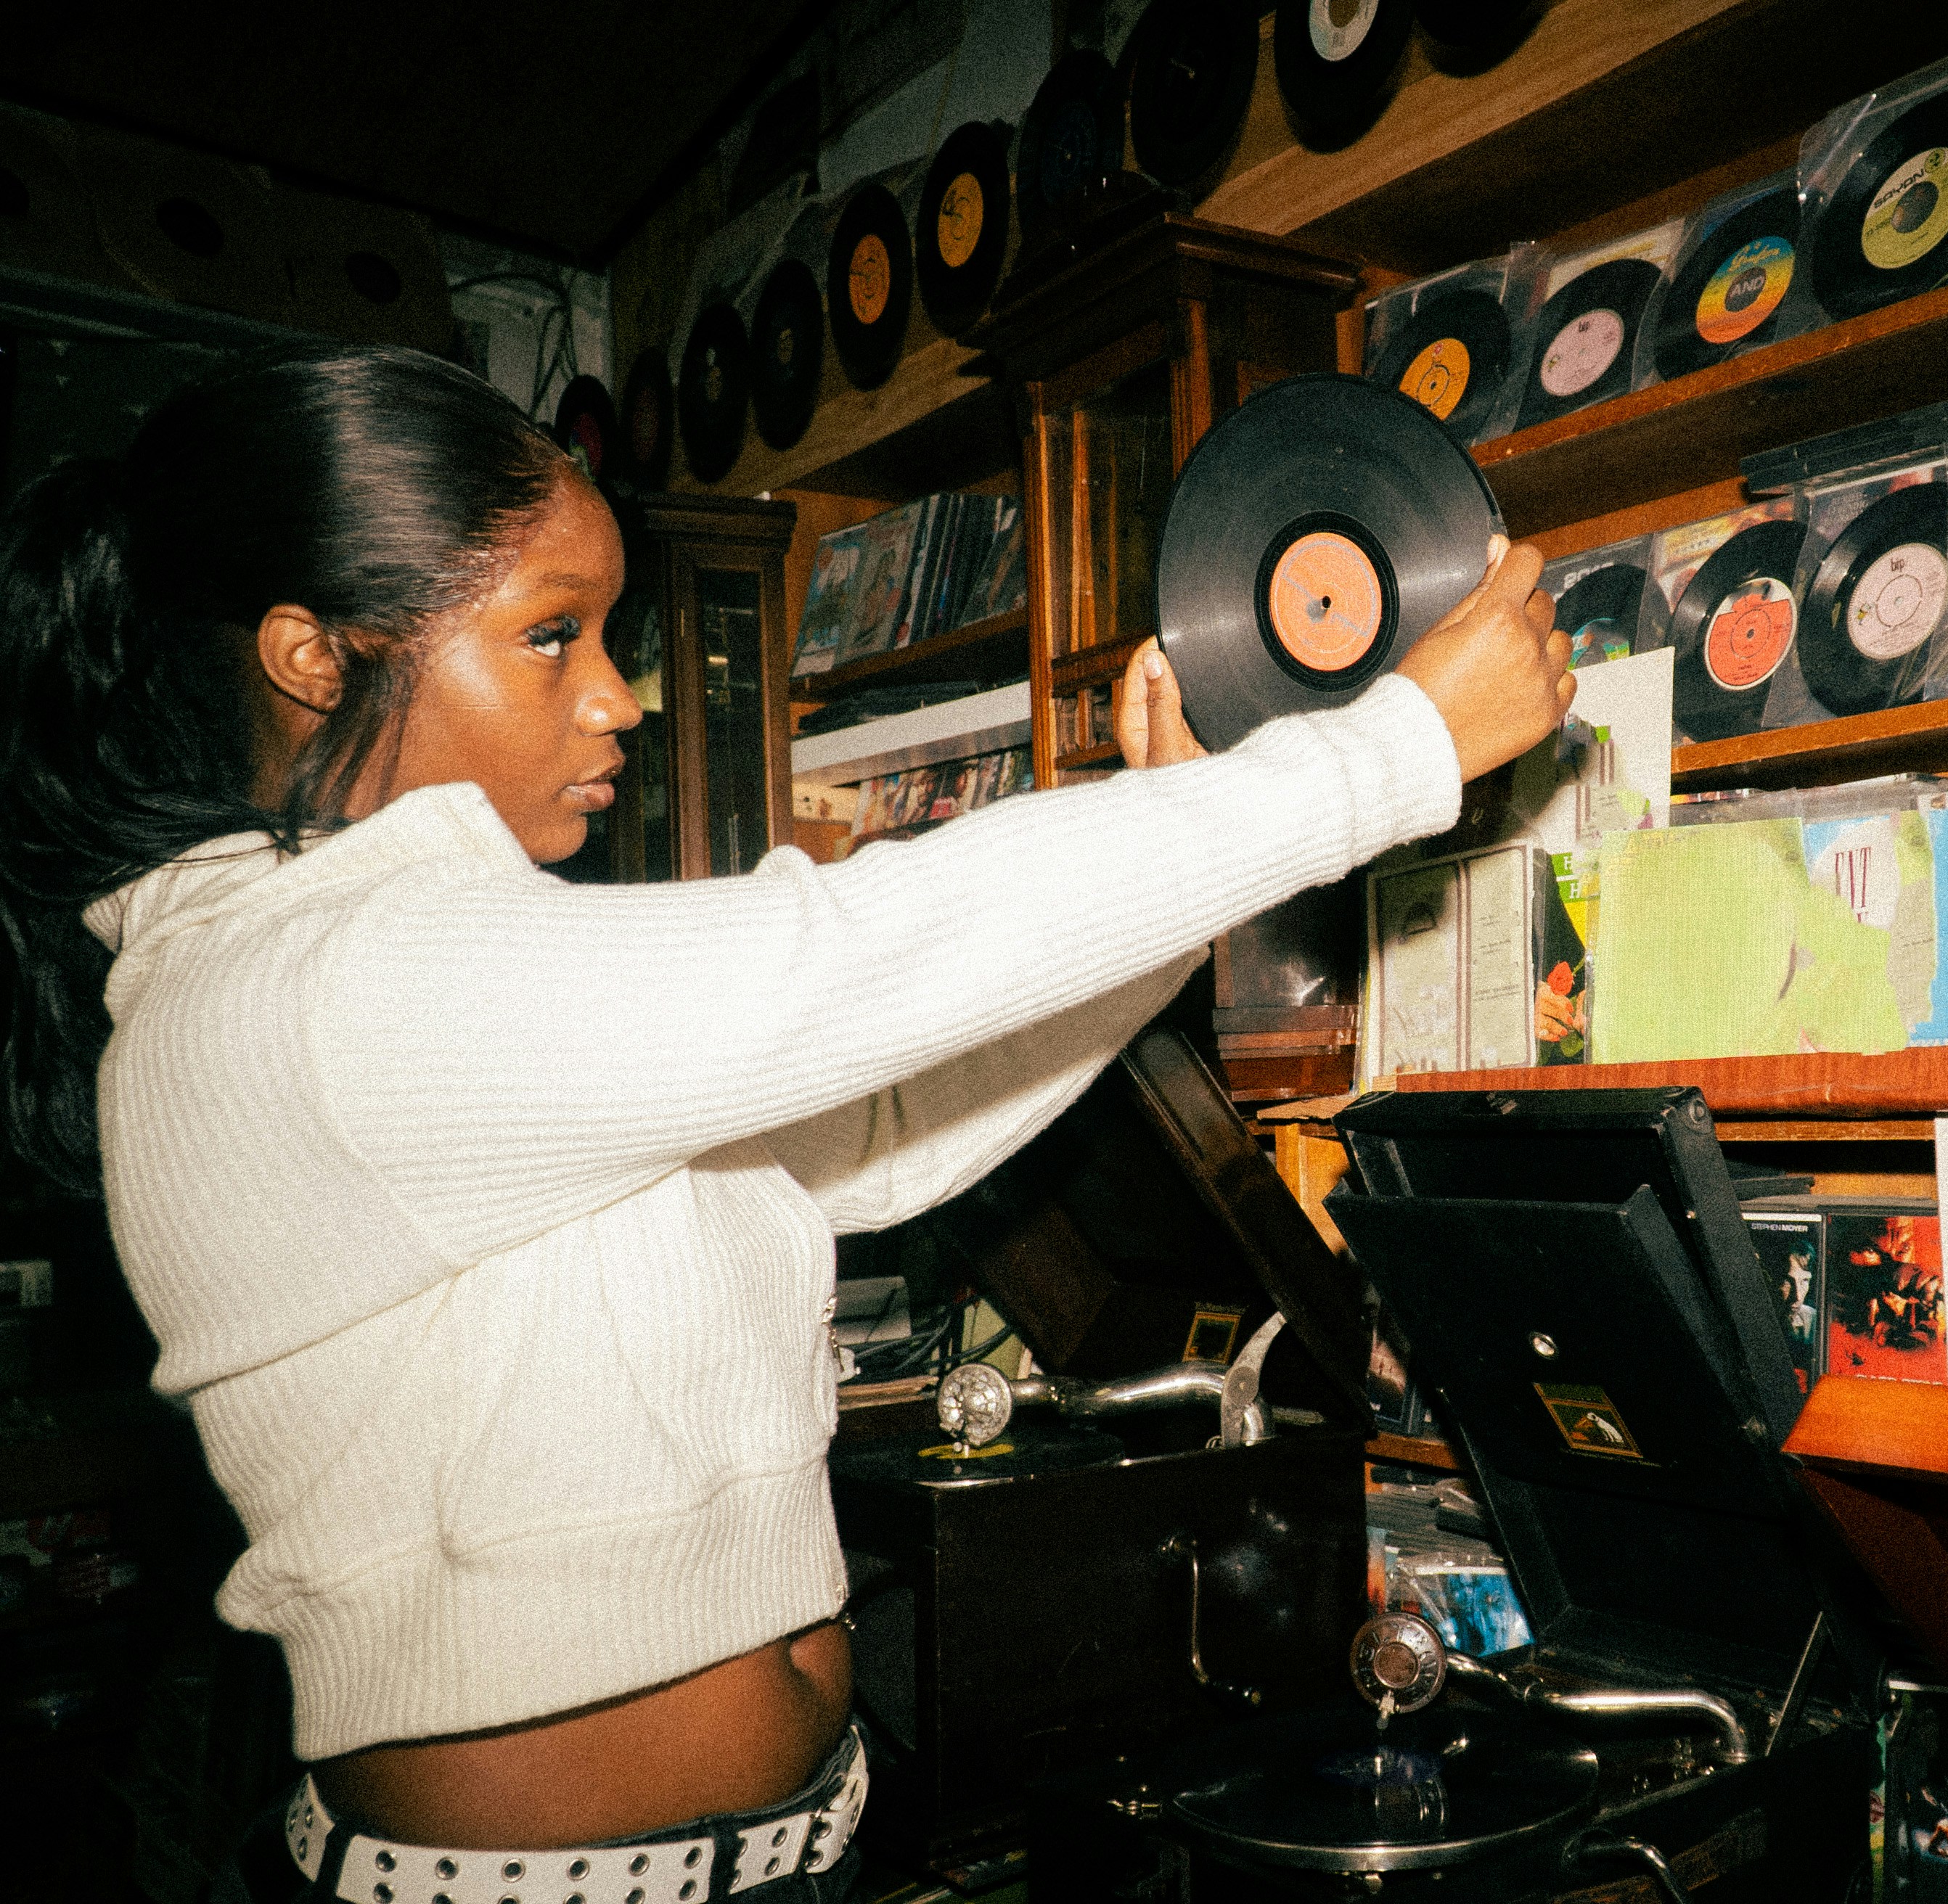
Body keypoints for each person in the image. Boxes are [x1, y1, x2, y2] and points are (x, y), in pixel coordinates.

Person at [0, 348, 1570, 1900]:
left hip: (778, 1853)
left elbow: (873, 1129)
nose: (617, 697)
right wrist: (1392, 751)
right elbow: (835, 964)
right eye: (553, 636)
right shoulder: (297, 988)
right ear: (314, 657)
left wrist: (1166, 902)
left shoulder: (384, 974)